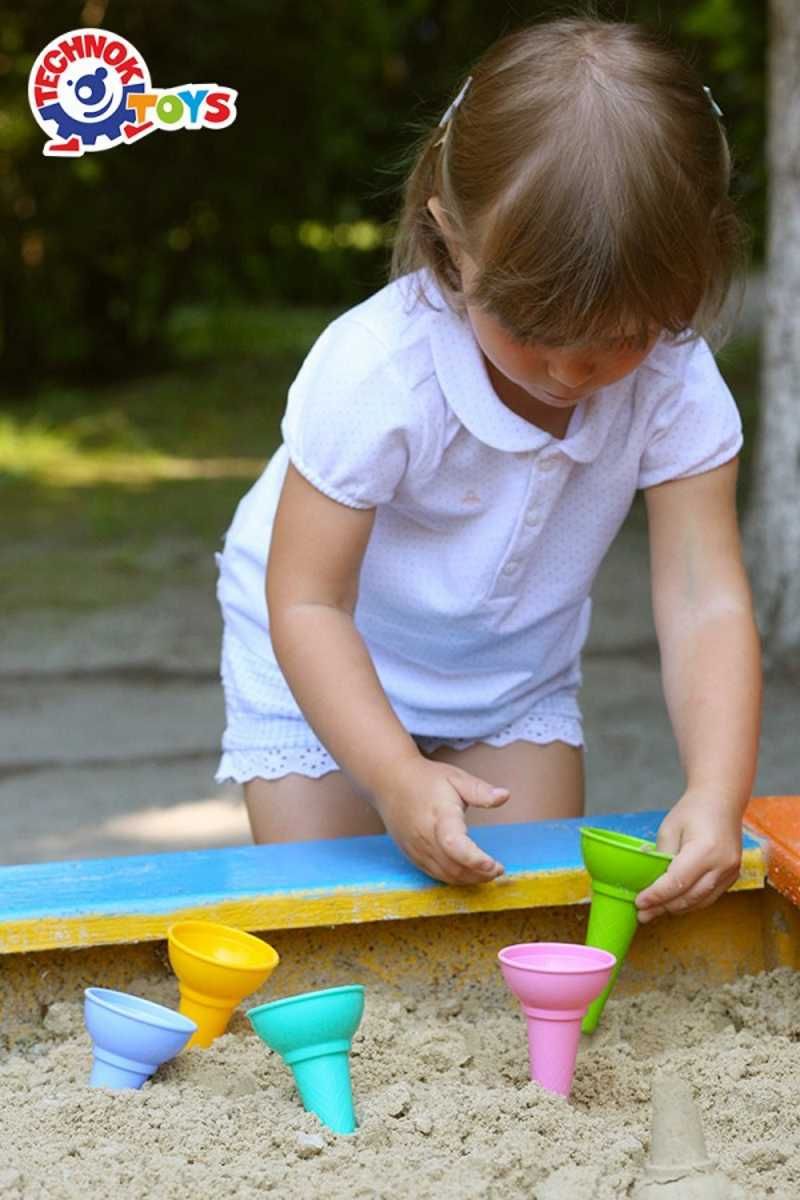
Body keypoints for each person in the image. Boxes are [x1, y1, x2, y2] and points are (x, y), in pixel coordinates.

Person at [215, 15, 761, 921]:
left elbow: (706, 597)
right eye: (534, 331)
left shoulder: (675, 382)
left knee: (521, 917)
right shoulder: (378, 373)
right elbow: (308, 601)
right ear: (453, 241)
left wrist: (716, 794)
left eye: (622, 337)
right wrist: (394, 775)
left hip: (514, 680)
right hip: (323, 658)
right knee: (337, 916)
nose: (573, 371)